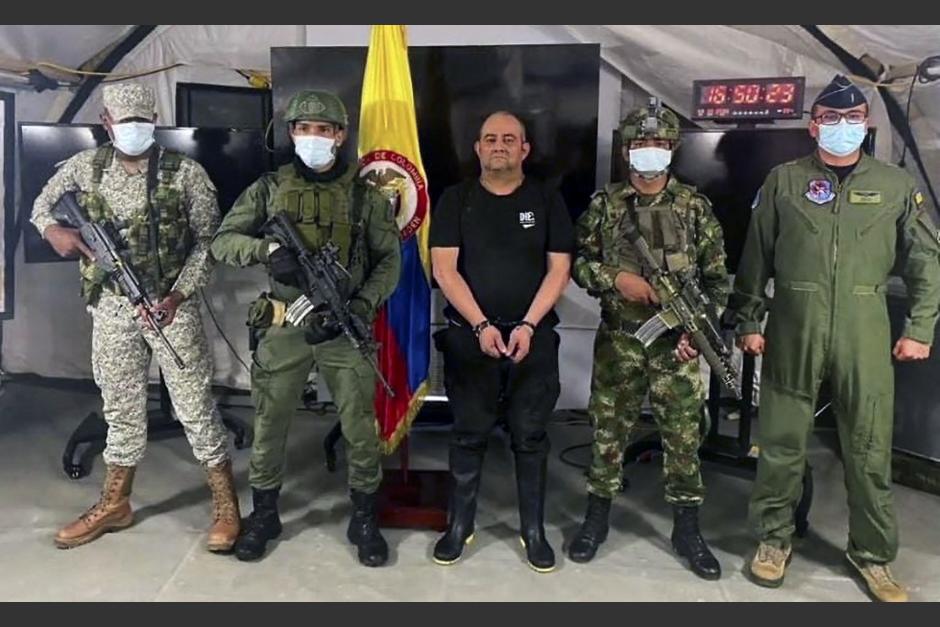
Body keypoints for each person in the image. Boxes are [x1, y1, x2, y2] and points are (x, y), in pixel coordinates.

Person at [732, 75, 940, 602]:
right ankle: (773, 541)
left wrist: (919, 328)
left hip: (864, 326)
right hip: (794, 323)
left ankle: (872, 554)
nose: (840, 128)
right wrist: (749, 320)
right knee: (781, 442)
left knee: (869, 448)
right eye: (829, 118)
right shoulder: (783, 181)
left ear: (866, 126)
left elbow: (926, 262)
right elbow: (754, 258)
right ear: (812, 125)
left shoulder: (894, 186)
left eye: (851, 120)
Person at [32, 82, 238, 552]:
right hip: (111, 306)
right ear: (106, 123)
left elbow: (211, 242)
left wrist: (180, 295)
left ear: (155, 124)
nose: (133, 131)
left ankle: (226, 505)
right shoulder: (86, 167)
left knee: (194, 405)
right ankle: (115, 504)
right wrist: (52, 232)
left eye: (142, 123)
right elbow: (42, 206)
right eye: (124, 124)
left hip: (169, 307)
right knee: (120, 408)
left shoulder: (187, 174)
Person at [210, 90, 401, 567]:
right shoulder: (269, 189)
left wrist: (362, 304)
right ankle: (266, 513)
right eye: (303, 128)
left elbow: (389, 262)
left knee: (360, 424)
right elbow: (222, 242)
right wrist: (267, 253)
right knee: (271, 420)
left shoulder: (366, 197)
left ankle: (363, 516)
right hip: (284, 324)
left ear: (339, 135)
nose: (312, 138)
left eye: (323, 129)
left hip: (344, 325)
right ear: (290, 133)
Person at [569, 100, 729, 580]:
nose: (649, 153)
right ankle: (596, 518)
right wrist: (615, 278)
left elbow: (717, 281)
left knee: (682, 437)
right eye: (640, 144)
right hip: (620, 341)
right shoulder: (604, 206)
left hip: (675, 347)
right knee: (607, 433)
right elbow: (577, 263)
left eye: (658, 144)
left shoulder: (695, 209)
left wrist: (694, 334)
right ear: (626, 151)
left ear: (672, 149)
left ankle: (687, 528)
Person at [429, 111, 574, 572]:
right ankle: (459, 526)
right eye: (489, 138)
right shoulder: (456, 199)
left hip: (533, 339)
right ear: (477, 148)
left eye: (509, 139)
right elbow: (444, 270)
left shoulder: (547, 200)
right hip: (471, 338)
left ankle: (533, 531)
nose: (499, 146)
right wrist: (481, 326)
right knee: (468, 435)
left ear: (525, 150)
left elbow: (559, 270)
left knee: (530, 437)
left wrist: (528, 326)